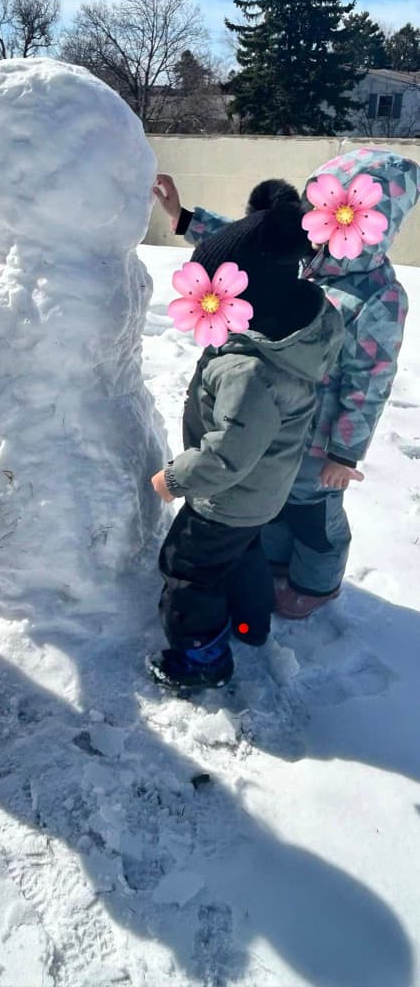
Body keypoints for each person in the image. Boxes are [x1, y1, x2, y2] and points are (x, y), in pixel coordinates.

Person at [153, 146, 419, 620]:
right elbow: (247, 243)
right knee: (272, 502)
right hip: (274, 424)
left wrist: (344, 453)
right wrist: (182, 217)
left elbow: (369, 383)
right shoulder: (307, 252)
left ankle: (316, 584)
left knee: (314, 517)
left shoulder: (379, 296)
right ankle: (275, 564)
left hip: (320, 442)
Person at [149, 182, 343, 690]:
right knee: (244, 553)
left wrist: (174, 478)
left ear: (246, 295)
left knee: (187, 566)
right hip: (263, 490)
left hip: (227, 493)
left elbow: (230, 453)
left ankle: (201, 658)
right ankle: (249, 625)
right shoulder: (294, 332)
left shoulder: (248, 370)